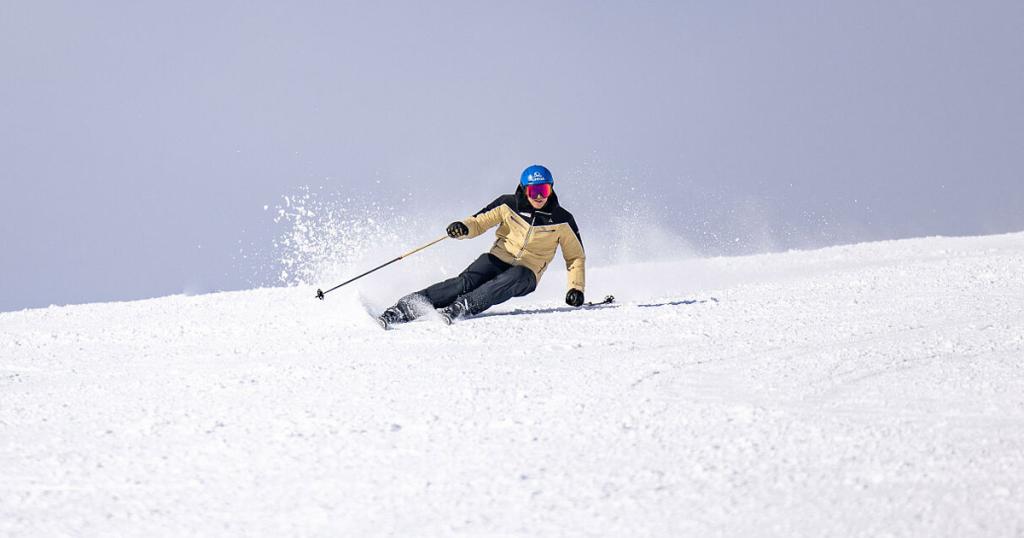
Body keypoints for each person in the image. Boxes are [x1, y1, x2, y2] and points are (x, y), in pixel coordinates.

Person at [377, 164, 586, 329]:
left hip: (527, 273)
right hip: (497, 259)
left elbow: (575, 257)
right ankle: (403, 309)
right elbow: (478, 222)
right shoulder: (508, 205)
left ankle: (463, 306)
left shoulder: (562, 220)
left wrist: (575, 288)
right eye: (534, 191)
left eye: (544, 190)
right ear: (524, 189)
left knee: (513, 277)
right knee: (464, 283)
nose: (539, 196)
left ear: (551, 189)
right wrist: (462, 228)